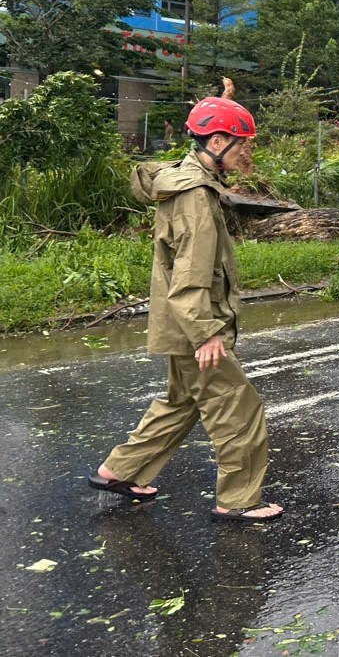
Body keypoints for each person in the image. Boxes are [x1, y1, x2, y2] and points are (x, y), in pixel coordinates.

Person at [89, 97, 283, 522]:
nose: (245, 153)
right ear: (215, 140)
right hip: (195, 324)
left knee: (183, 401)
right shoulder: (194, 195)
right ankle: (239, 499)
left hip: (182, 323)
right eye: (240, 144)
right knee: (238, 407)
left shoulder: (186, 182)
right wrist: (207, 333)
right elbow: (191, 273)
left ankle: (119, 471)